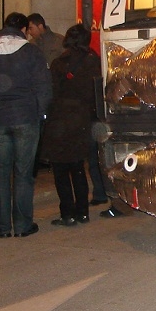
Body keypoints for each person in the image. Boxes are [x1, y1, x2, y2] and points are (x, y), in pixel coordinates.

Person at [0, 12, 52, 239]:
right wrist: (41, 114)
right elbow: (43, 87)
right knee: (23, 174)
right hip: (25, 117)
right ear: (23, 29)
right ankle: (22, 225)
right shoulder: (31, 52)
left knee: (0, 175)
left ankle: (2, 227)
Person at [40, 24, 101, 226]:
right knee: (78, 167)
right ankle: (82, 211)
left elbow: (50, 92)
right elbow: (98, 93)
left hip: (60, 119)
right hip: (82, 119)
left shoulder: (58, 63)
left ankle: (67, 212)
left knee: (60, 169)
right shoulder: (94, 63)